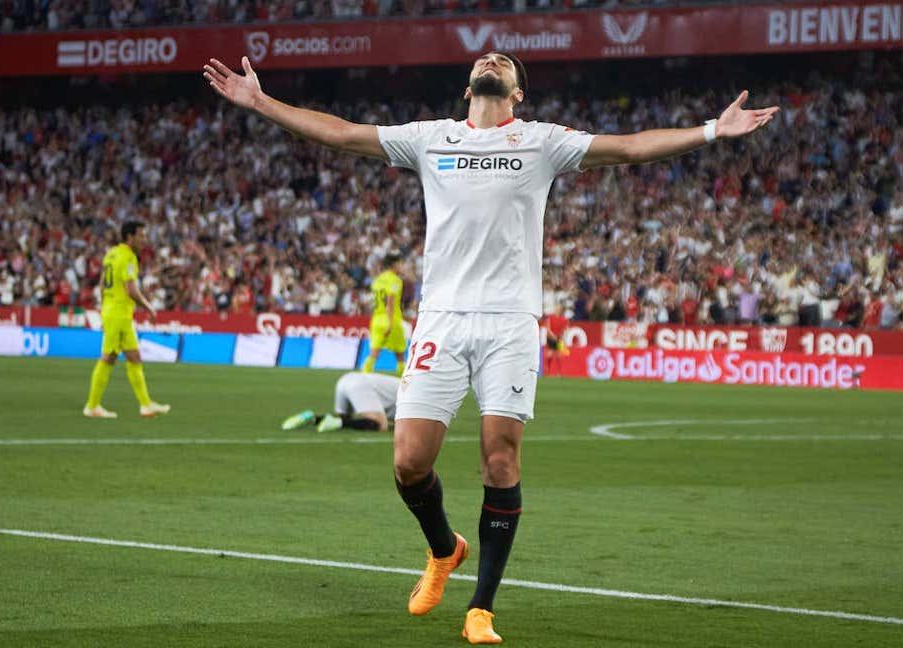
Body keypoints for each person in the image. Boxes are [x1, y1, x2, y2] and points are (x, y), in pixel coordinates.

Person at [204, 50, 777, 643]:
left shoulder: (543, 142)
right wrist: (260, 102)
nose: (493, 60)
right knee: (408, 461)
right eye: (486, 58)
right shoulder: (430, 138)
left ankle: (481, 608)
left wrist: (713, 130)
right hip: (442, 320)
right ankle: (443, 549)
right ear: (467, 86)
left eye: (504, 62)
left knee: (499, 459)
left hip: (509, 322)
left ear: (518, 93)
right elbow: (343, 135)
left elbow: (630, 147)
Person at [82, 221, 171, 419]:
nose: (144, 239)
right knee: (109, 357)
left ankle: (146, 405)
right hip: (119, 313)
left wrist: (105, 307)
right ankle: (92, 406)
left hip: (114, 311)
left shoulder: (111, 254)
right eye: (141, 236)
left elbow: (102, 284)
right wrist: (148, 307)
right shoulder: (129, 257)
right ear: (130, 237)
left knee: (134, 357)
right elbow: (131, 289)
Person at [281, 372, 398, 433]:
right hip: (360, 385)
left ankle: (313, 418)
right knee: (379, 425)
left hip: (346, 380)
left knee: (344, 417)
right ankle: (339, 423)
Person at [361, 253, 407, 375]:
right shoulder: (395, 280)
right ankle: (403, 377)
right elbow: (390, 301)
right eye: (400, 264)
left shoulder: (377, 280)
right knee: (400, 352)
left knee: (374, 351)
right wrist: (390, 323)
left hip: (376, 319)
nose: (401, 266)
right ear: (394, 265)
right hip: (391, 318)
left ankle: (365, 373)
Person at [541, 310, 569, 376]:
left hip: (559, 339)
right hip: (551, 338)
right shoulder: (550, 317)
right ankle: (547, 371)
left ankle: (559, 372)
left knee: (559, 356)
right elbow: (548, 329)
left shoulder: (564, 319)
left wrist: (560, 338)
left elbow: (565, 329)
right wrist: (554, 337)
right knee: (549, 355)